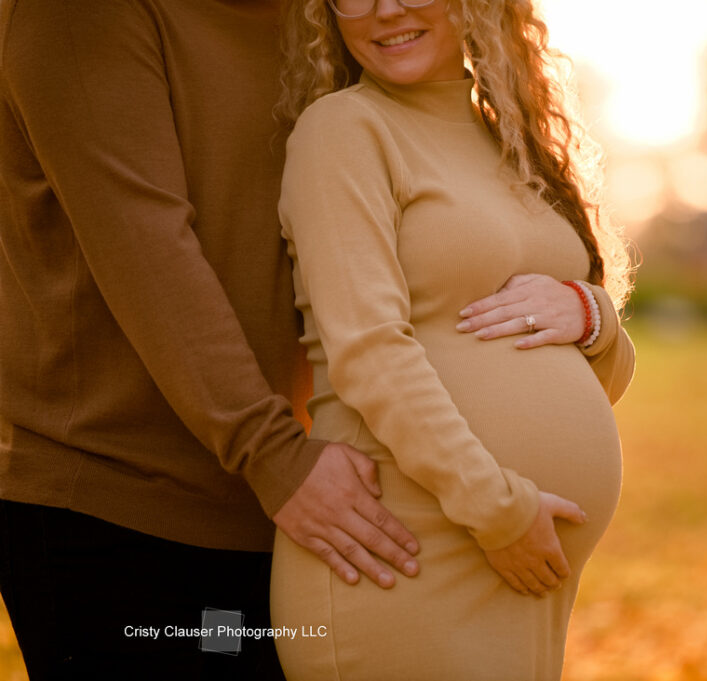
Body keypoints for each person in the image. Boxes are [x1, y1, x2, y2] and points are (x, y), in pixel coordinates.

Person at [0, 1, 426, 678]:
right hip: (121, 517)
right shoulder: (74, 16)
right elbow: (145, 246)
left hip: (287, 505)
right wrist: (273, 452)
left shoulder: (326, 16)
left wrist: (585, 307)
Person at [269, 0, 635, 678]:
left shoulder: (511, 138)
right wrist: (498, 510)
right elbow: (369, 353)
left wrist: (592, 315)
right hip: (403, 560)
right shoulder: (345, 132)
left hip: (522, 570)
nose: (385, 10)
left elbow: (598, 379)